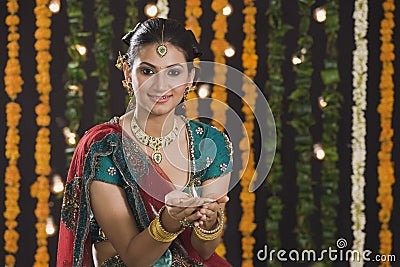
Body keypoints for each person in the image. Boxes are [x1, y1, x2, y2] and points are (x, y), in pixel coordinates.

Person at [57, 17, 233, 267]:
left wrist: (210, 224)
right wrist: (168, 223)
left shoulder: (209, 142)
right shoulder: (104, 148)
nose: (161, 85)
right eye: (147, 71)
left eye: (173, 72)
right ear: (129, 72)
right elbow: (134, 258)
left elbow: (203, 251)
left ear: (190, 76)